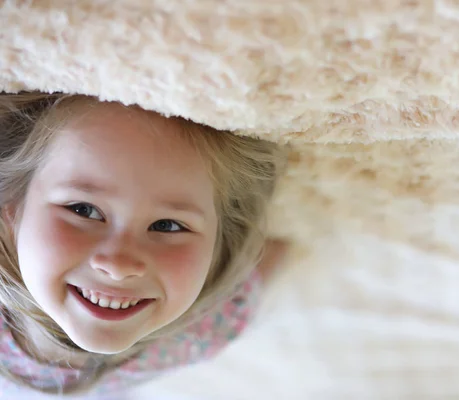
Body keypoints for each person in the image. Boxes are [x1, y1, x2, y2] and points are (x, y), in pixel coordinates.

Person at [0, 91, 288, 396]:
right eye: (84, 210)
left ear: (221, 240)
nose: (119, 266)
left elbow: (270, 255)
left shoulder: (214, 322)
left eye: (168, 225)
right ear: (12, 210)